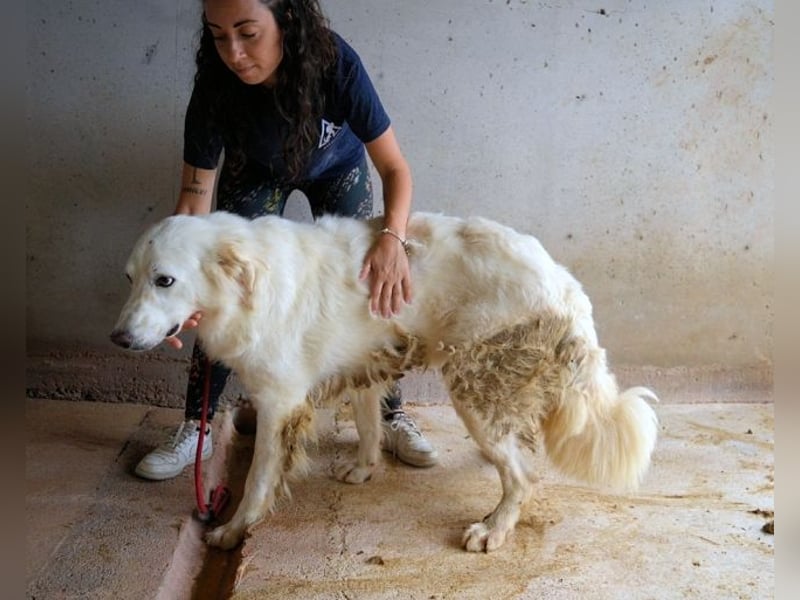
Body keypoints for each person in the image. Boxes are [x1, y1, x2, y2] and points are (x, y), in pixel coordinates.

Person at [134, 0, 438, 480]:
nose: (233, 52)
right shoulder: (215, 85)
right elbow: (193, 203)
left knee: (371, 286)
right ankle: (197, 426)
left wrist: (392, 238)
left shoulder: (335, 64)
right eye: (218, 35)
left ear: (287, 22)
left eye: (248, 32)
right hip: (254, 174)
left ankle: (389, 413)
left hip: (336, 170)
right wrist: (177, 288)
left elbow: (395, 168)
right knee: (222, 289)